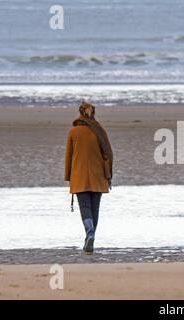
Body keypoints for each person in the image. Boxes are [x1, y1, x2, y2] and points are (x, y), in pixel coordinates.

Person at [64, 101, 113, 254]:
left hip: (79, 176)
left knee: (85, 208)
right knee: (95, 208)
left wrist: (68, 177)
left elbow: (69, 156)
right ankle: (90, 236)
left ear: (79, 113)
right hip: (98, 176)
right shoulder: (100, 131)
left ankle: (89, 234)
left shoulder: (73, 132)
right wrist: (108, 175)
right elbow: (108, 155)